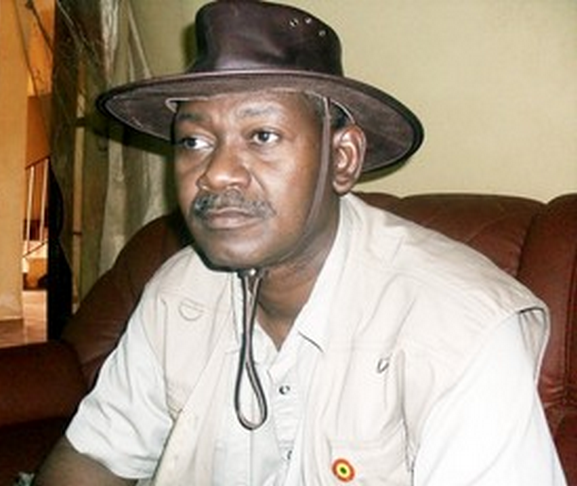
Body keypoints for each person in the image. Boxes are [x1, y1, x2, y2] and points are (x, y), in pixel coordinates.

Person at [34, 1, 567, 485]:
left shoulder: (456, 328)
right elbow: (94, 458)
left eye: (262, 136)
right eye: (193, 140)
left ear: (342, 159)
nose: (215, 173)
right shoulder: (179, 294)